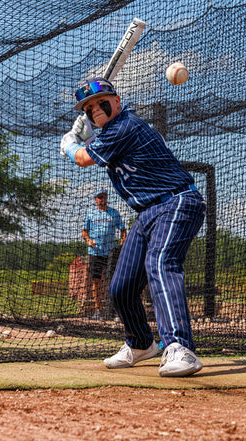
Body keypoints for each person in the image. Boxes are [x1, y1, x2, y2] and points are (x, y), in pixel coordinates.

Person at [60, 76, 206, 377]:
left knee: (161, 263)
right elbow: (97, 148)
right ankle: (140, 342)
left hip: (176, 202)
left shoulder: (126, 124)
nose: (95, 109)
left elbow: (85, 158)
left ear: (117, 102)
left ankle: (180, 347)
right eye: (88, 109)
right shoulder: (111, 132)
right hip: (147, 212)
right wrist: (88, 138)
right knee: (121, 287)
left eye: (101, 103)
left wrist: (72, 144)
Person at [82, 187, 126, 320]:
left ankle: (112, 310)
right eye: (100, 197)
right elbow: (84, 232)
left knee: (112, 281)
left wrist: (122, 243)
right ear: (96, 199)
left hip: (110, 252)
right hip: (95, 252)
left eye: (104, 197)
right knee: (96, 281)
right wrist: (88, 240)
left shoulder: (114, 213)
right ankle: (98, 310)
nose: (102, 199)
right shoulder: (90, 213)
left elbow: (123, 230)